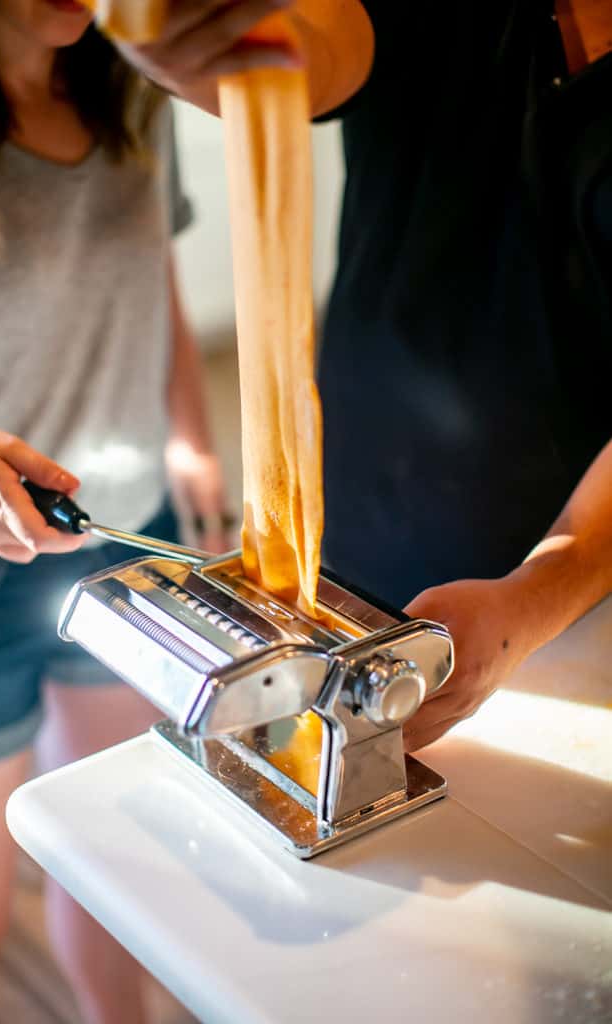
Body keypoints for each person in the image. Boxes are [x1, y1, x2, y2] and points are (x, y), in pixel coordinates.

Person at [112, 0, 611, 747]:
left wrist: (532, 600)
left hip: (569, 585)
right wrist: (214, 36)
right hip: (349, 493)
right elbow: (311, 47)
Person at [0, 1, 232, 1022]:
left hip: (115, 540)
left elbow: (153, 268)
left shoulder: (140, 88)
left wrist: (187, 434)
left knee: (116, 880)